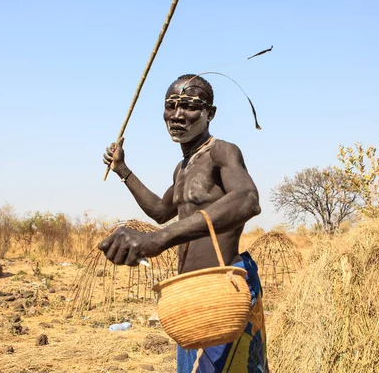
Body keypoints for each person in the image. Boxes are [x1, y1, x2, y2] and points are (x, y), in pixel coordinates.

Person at [100, 74, 269, 373]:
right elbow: (161, 211)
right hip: (190, 294)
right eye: (171, 106)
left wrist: (160, 239)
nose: (177, 115)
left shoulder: (222, 151)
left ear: (210, 114)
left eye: (190, 106)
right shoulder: (182, 168)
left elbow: (247, 199)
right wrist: (123, 170)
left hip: (222, 288)